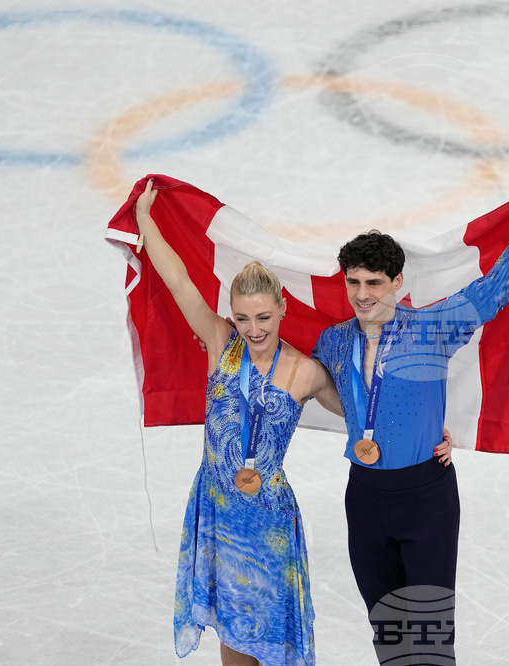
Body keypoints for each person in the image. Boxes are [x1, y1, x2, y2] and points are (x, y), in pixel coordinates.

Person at [134, 179, 453, 665]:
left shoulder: (306, 371)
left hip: (270, 517)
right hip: (218, 506)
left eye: (263, 317)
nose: (254, 329)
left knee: (274, 637)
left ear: (283, 309)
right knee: (234, 634)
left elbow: (365, 409)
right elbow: (178, 280)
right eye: (243, 318)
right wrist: (144, 222)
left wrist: (430, 433)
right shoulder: (220, 344)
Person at [312, 183, 509, 662]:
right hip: (365, 496)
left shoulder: (431, 328)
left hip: (425, 496)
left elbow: (490, 293)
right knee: (388, 632)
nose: (362, 294)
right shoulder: (333, 341)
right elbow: (303, 379)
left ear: (396, 282)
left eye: (373, 282)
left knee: (429, 638)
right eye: (354, 282)